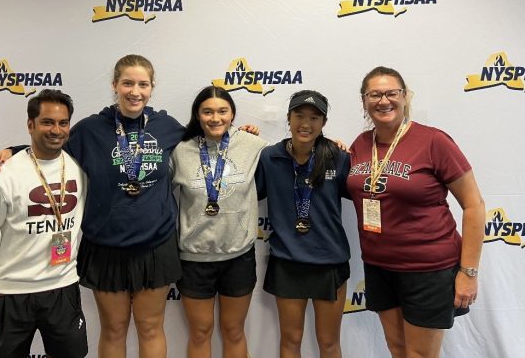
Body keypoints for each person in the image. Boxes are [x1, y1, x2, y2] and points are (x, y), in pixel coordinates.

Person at [0, 55, 184, 358]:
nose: (135, 91)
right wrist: (11, 151)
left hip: (155, 244)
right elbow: (50, 147)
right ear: (115, 85)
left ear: (152, 88)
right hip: (106, 246)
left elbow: (207, 142)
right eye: (128, 83)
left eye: (143, 84)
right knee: (114, 329)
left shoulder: (167, 126)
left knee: (151, 327)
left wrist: (243, 133)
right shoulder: (91, 129)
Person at [346, 66, 485, 358]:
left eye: (391, 93)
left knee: (420, 355)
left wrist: (468, 272)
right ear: (364, 101)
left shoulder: (433, 141)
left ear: (405, 96)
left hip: (428, 269)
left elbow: (474, 205)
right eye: (374, 94)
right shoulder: (360, 144)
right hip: (379, 266)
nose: (383, 100)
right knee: (397, 348)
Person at [0, 89, 88, 358]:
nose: (56, 130)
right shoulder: (2, 174)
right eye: (47, 122)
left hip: (62, 287)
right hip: (12, 292)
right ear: (30, 125)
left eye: (63, 123)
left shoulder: (80, 169)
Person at [170, 86, 267, 358]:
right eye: (208, 111)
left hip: (238, 256)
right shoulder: (181, 150)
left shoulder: (252, 145)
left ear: (232, 114)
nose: (215, 118)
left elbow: (294, 152)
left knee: (234, 330)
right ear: (198, 115)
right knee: (200, 332)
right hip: (194, 258)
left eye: (222, 111)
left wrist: (334, 147)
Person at [256, 90, 351, 358]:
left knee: (329, 342)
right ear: (289, 118)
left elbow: (362, 190)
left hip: (329, 261)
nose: (306, 123)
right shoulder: (269, 157)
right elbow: (250, 192)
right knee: (290, 339)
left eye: (314, 118)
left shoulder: (338, 157)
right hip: (288, 261)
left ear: (323, 123)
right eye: (299, 115)